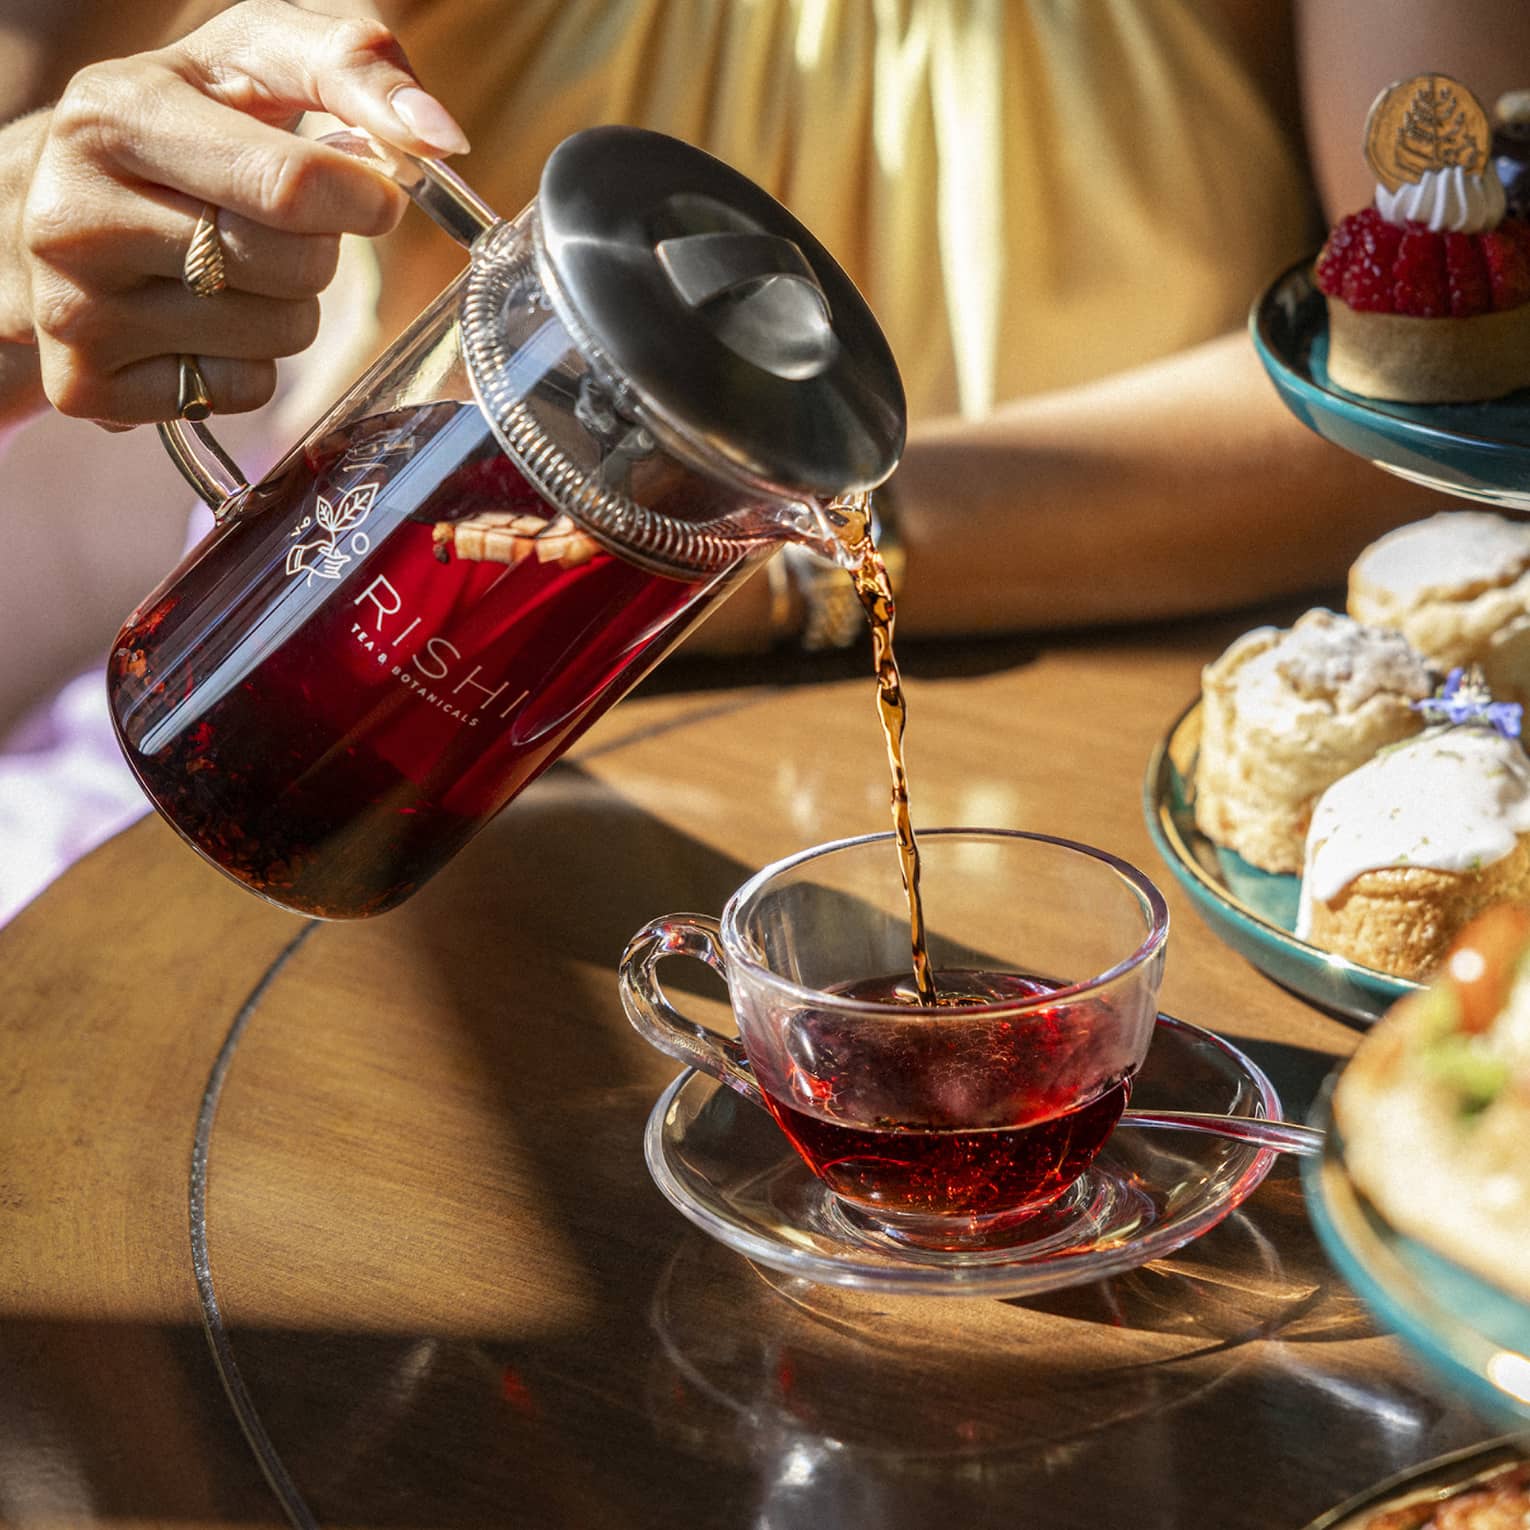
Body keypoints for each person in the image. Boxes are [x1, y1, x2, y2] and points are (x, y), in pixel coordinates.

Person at [0, 0, 1524, 918]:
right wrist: (68, 213)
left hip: (1063, 784)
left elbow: (1425, 392)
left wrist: (726, 549)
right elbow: (116, 141)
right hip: (362, 712)